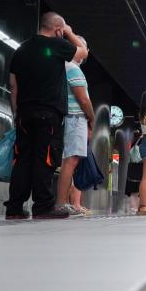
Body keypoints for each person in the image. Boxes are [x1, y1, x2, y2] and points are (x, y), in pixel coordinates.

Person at [4, 12, 88, 220]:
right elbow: (82, 53)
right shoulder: (57, 45)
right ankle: (43, 207)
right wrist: (69, 32)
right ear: (58, 29)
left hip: (24, 113)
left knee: (22, 159)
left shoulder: (21, 50)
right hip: (48, 113)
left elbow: (13, 86)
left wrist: (16, 114)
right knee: (45, 159)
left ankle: (14, 208)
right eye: (61, 30)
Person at [56, 36, 94, 217]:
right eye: (83, 48)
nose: (86, 52)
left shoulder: (65, 68)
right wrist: (92, 119)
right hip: (75, 118)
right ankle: (61, 203)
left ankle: (64, 203)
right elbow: (83, 100)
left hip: (70, 118)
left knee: (70, 161)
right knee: (70, 161)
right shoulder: (72, 68)